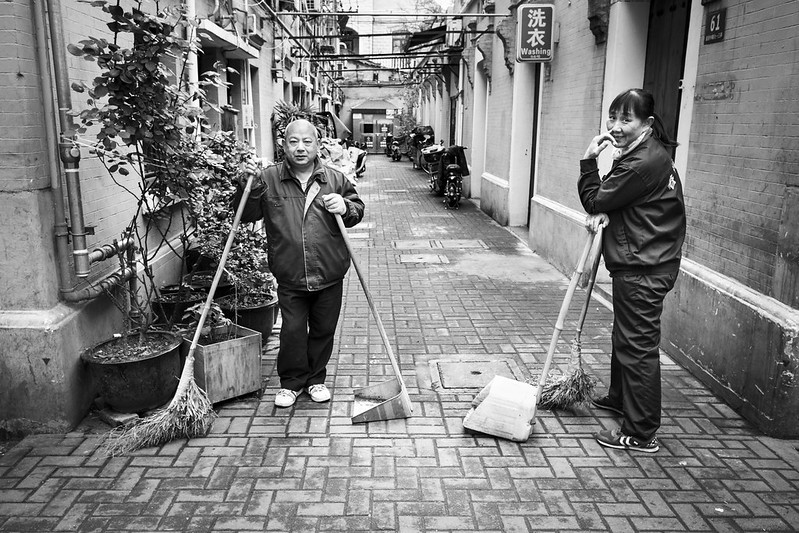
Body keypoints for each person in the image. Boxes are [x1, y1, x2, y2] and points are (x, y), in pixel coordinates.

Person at [577, 88, 686, 453]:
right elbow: (618, 201)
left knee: (637, 346)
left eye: (627, 119)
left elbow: (597, 199)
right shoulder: (642, 153)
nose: (616, 126)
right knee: (626, 338)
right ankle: (620, 397)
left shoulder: (641, 162)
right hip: (642, 261)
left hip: (645, 266)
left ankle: (640, 432)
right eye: (613, 117)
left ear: (647, 123)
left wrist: (589, 162)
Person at [238, 119, 365, 408]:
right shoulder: (268, 178)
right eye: (293, 141)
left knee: (323, 329)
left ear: (318, 145)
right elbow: (246, 215)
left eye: (307, 142)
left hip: (329, 272)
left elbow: (357, 210)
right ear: (283, 145)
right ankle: (291, 383)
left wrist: (346, 207)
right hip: (290, 273)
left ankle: (316, 379)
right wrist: (246, 185)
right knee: (292, 329)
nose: (300, 148)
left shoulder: (334, 179)